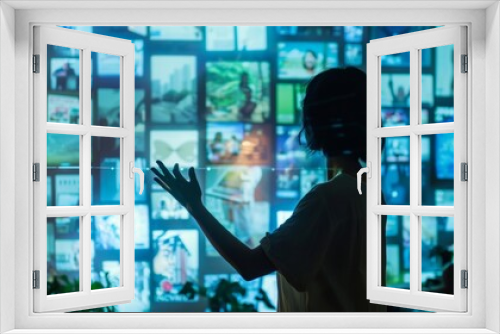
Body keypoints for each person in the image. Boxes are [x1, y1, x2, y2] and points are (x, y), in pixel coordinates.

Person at [151, 67, 386, 312]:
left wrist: (195, 207)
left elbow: (250, 265)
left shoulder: (326, 200)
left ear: (319, 121)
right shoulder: (368, 189)